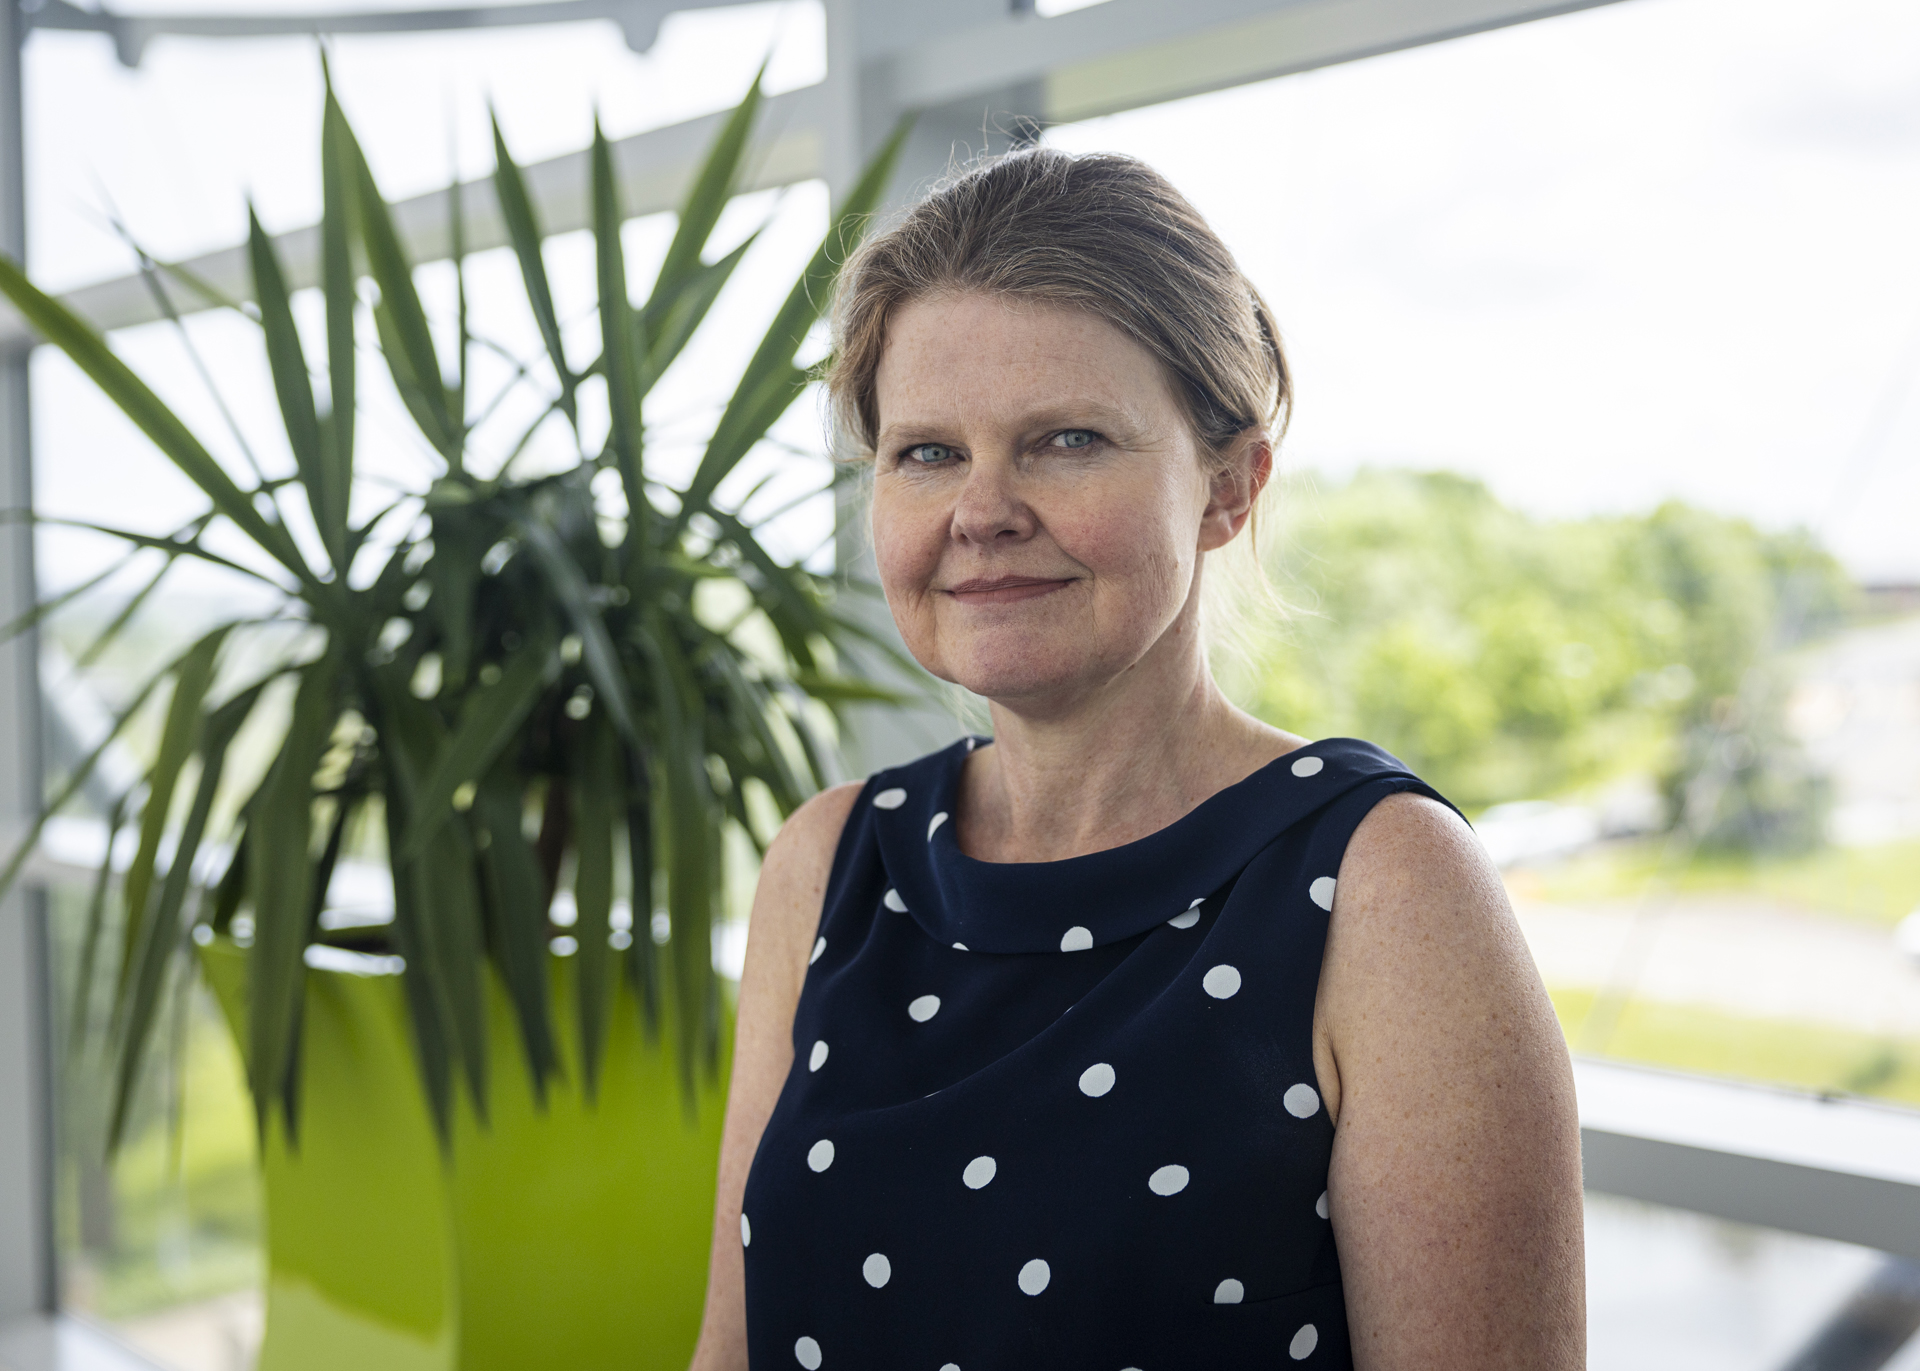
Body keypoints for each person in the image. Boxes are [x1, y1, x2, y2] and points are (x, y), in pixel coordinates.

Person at [687, 147, 1584, 1371]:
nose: (982, 509)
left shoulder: (1385, 888)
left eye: (1064, 440)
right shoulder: (830, 862)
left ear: (1229, 486)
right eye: (928, 452)